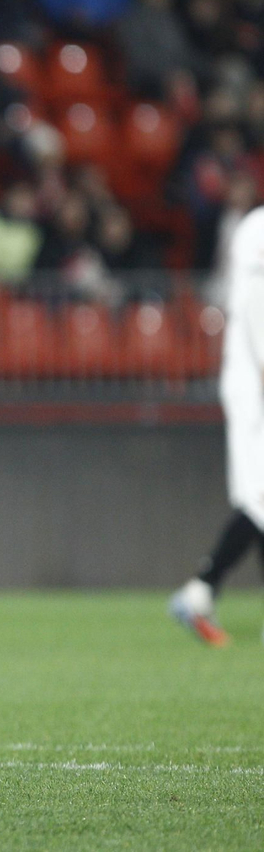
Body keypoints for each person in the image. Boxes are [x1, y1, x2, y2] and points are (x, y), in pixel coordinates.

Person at [170, 204, 264, 646]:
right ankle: (199, 592)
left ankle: (201, 591)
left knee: (259, 497)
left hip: (248, 384)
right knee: (258, 498)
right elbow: (258, 321)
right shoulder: (259, 236)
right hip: (255, 391)